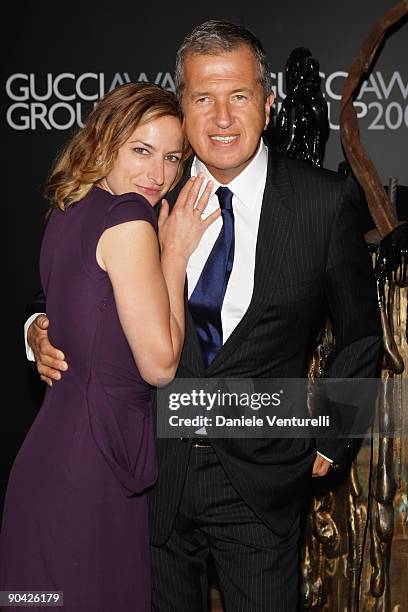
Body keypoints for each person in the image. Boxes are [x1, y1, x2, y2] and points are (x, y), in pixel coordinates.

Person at [25, 21, 382, 612]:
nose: (221, 117)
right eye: (202, 98)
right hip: (149, 477)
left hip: (262, 483)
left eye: (238, 96)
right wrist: (35, 330)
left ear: (266, 107)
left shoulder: (324, 201)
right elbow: (71, 283)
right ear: (182, 109)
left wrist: (333, 438)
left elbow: (362, 334)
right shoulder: (143, 190)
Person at [1, 82, 219, 611]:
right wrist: (174, 255)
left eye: (171, 157)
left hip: (50, 463)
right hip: (91, 474)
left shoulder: (67, 210)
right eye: (141, 151)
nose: (158, 174)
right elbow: (161, 364)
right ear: (104, 142)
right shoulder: (129, 218)